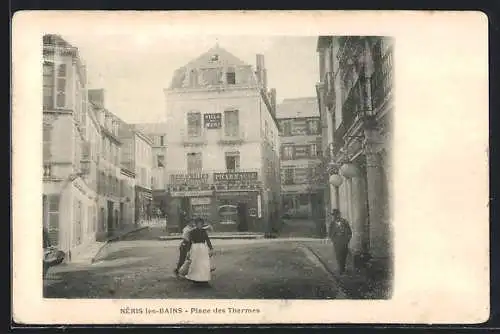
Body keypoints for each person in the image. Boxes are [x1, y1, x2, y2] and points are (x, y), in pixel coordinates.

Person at [184, 217, 214, 284]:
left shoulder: (204, 231)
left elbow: (207, 240)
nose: (200, 225)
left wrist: (211, 248)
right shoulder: (192, 232)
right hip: (195, 248)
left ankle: (204, 278)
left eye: (201, 224)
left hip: (203, 248)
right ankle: (195, 278)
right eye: (198, 224)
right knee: (196, 263)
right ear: (196, 224)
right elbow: (189, 242)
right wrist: (188, 251)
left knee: (203, 263)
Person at [329, 209, 352, 274]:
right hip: (337, 242)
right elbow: (330, 233)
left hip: (344, 242)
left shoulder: (345, 222)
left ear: (339, 215)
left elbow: (349, 232)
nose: (335, 216)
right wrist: (333, 240)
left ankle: (343, 267)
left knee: (344, 255)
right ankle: (341, 269)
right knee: (338, 255)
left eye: (336, 214)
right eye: (334, 215)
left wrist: (347, 240)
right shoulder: (332, 224)